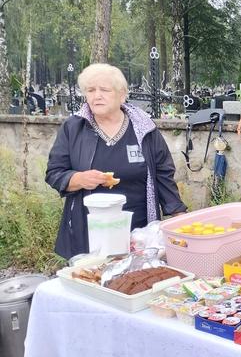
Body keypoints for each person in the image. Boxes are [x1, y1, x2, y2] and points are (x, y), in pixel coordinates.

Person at [46, 63, 186, 259]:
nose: (96, 96)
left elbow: (163, 174)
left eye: (104, 90)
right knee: (90, 282)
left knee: (135, 282)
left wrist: (179, 217)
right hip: (87, 230)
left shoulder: (144, 129)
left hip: (138, 229)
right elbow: (54, 173)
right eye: (91, 90)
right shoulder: (73, 128)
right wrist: (78, 179)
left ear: (122, 95)